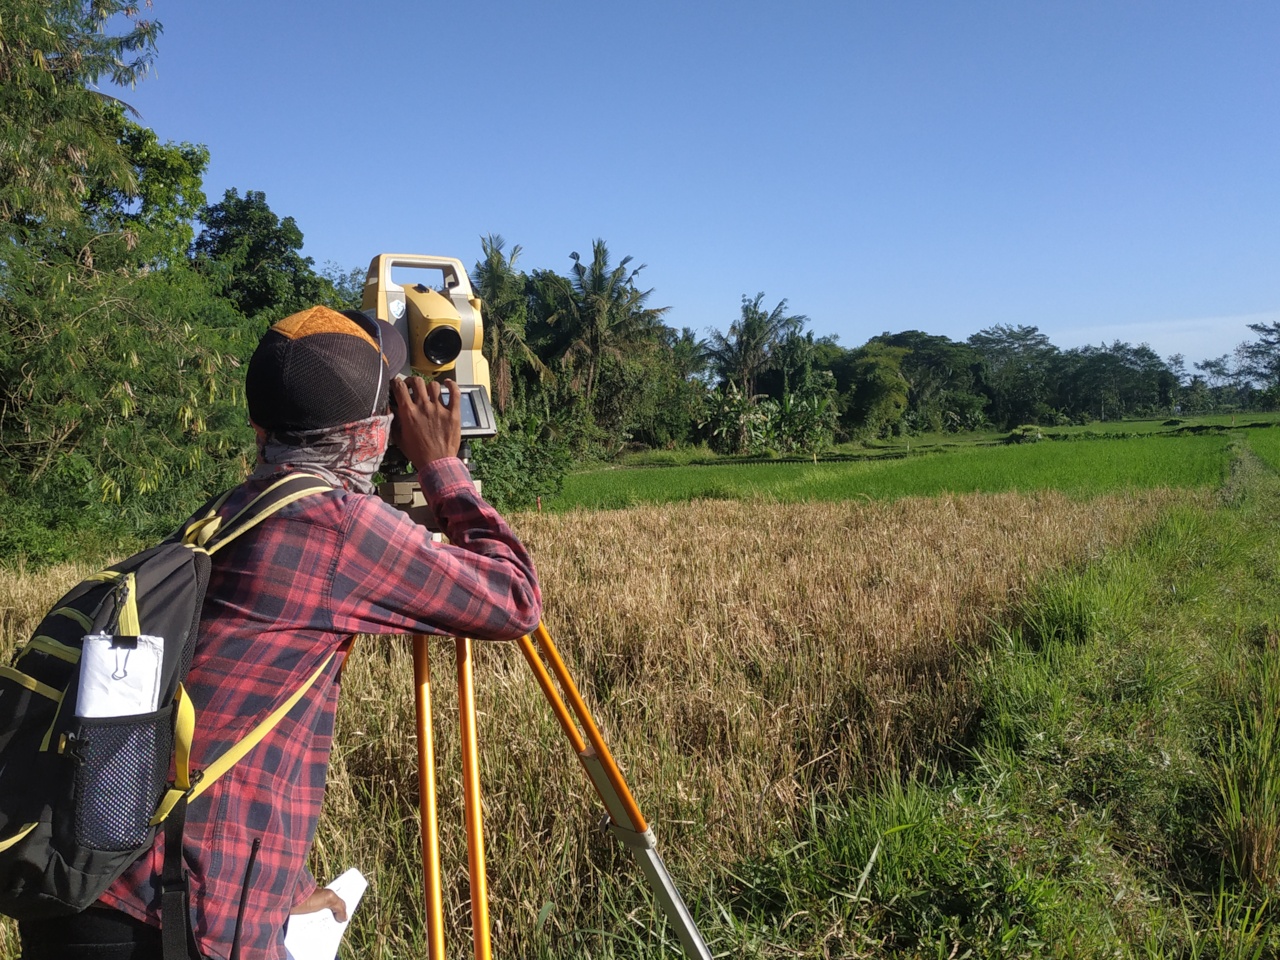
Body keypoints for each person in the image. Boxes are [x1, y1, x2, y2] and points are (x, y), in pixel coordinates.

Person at [18, 306, 543, 960]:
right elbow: (515, 599)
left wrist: (286, 888)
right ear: (376, 436)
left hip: (93, 893)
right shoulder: (337, 526)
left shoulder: (228, 513)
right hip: (167, 924)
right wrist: (441, 467)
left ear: (260, 426)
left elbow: (214, 731)